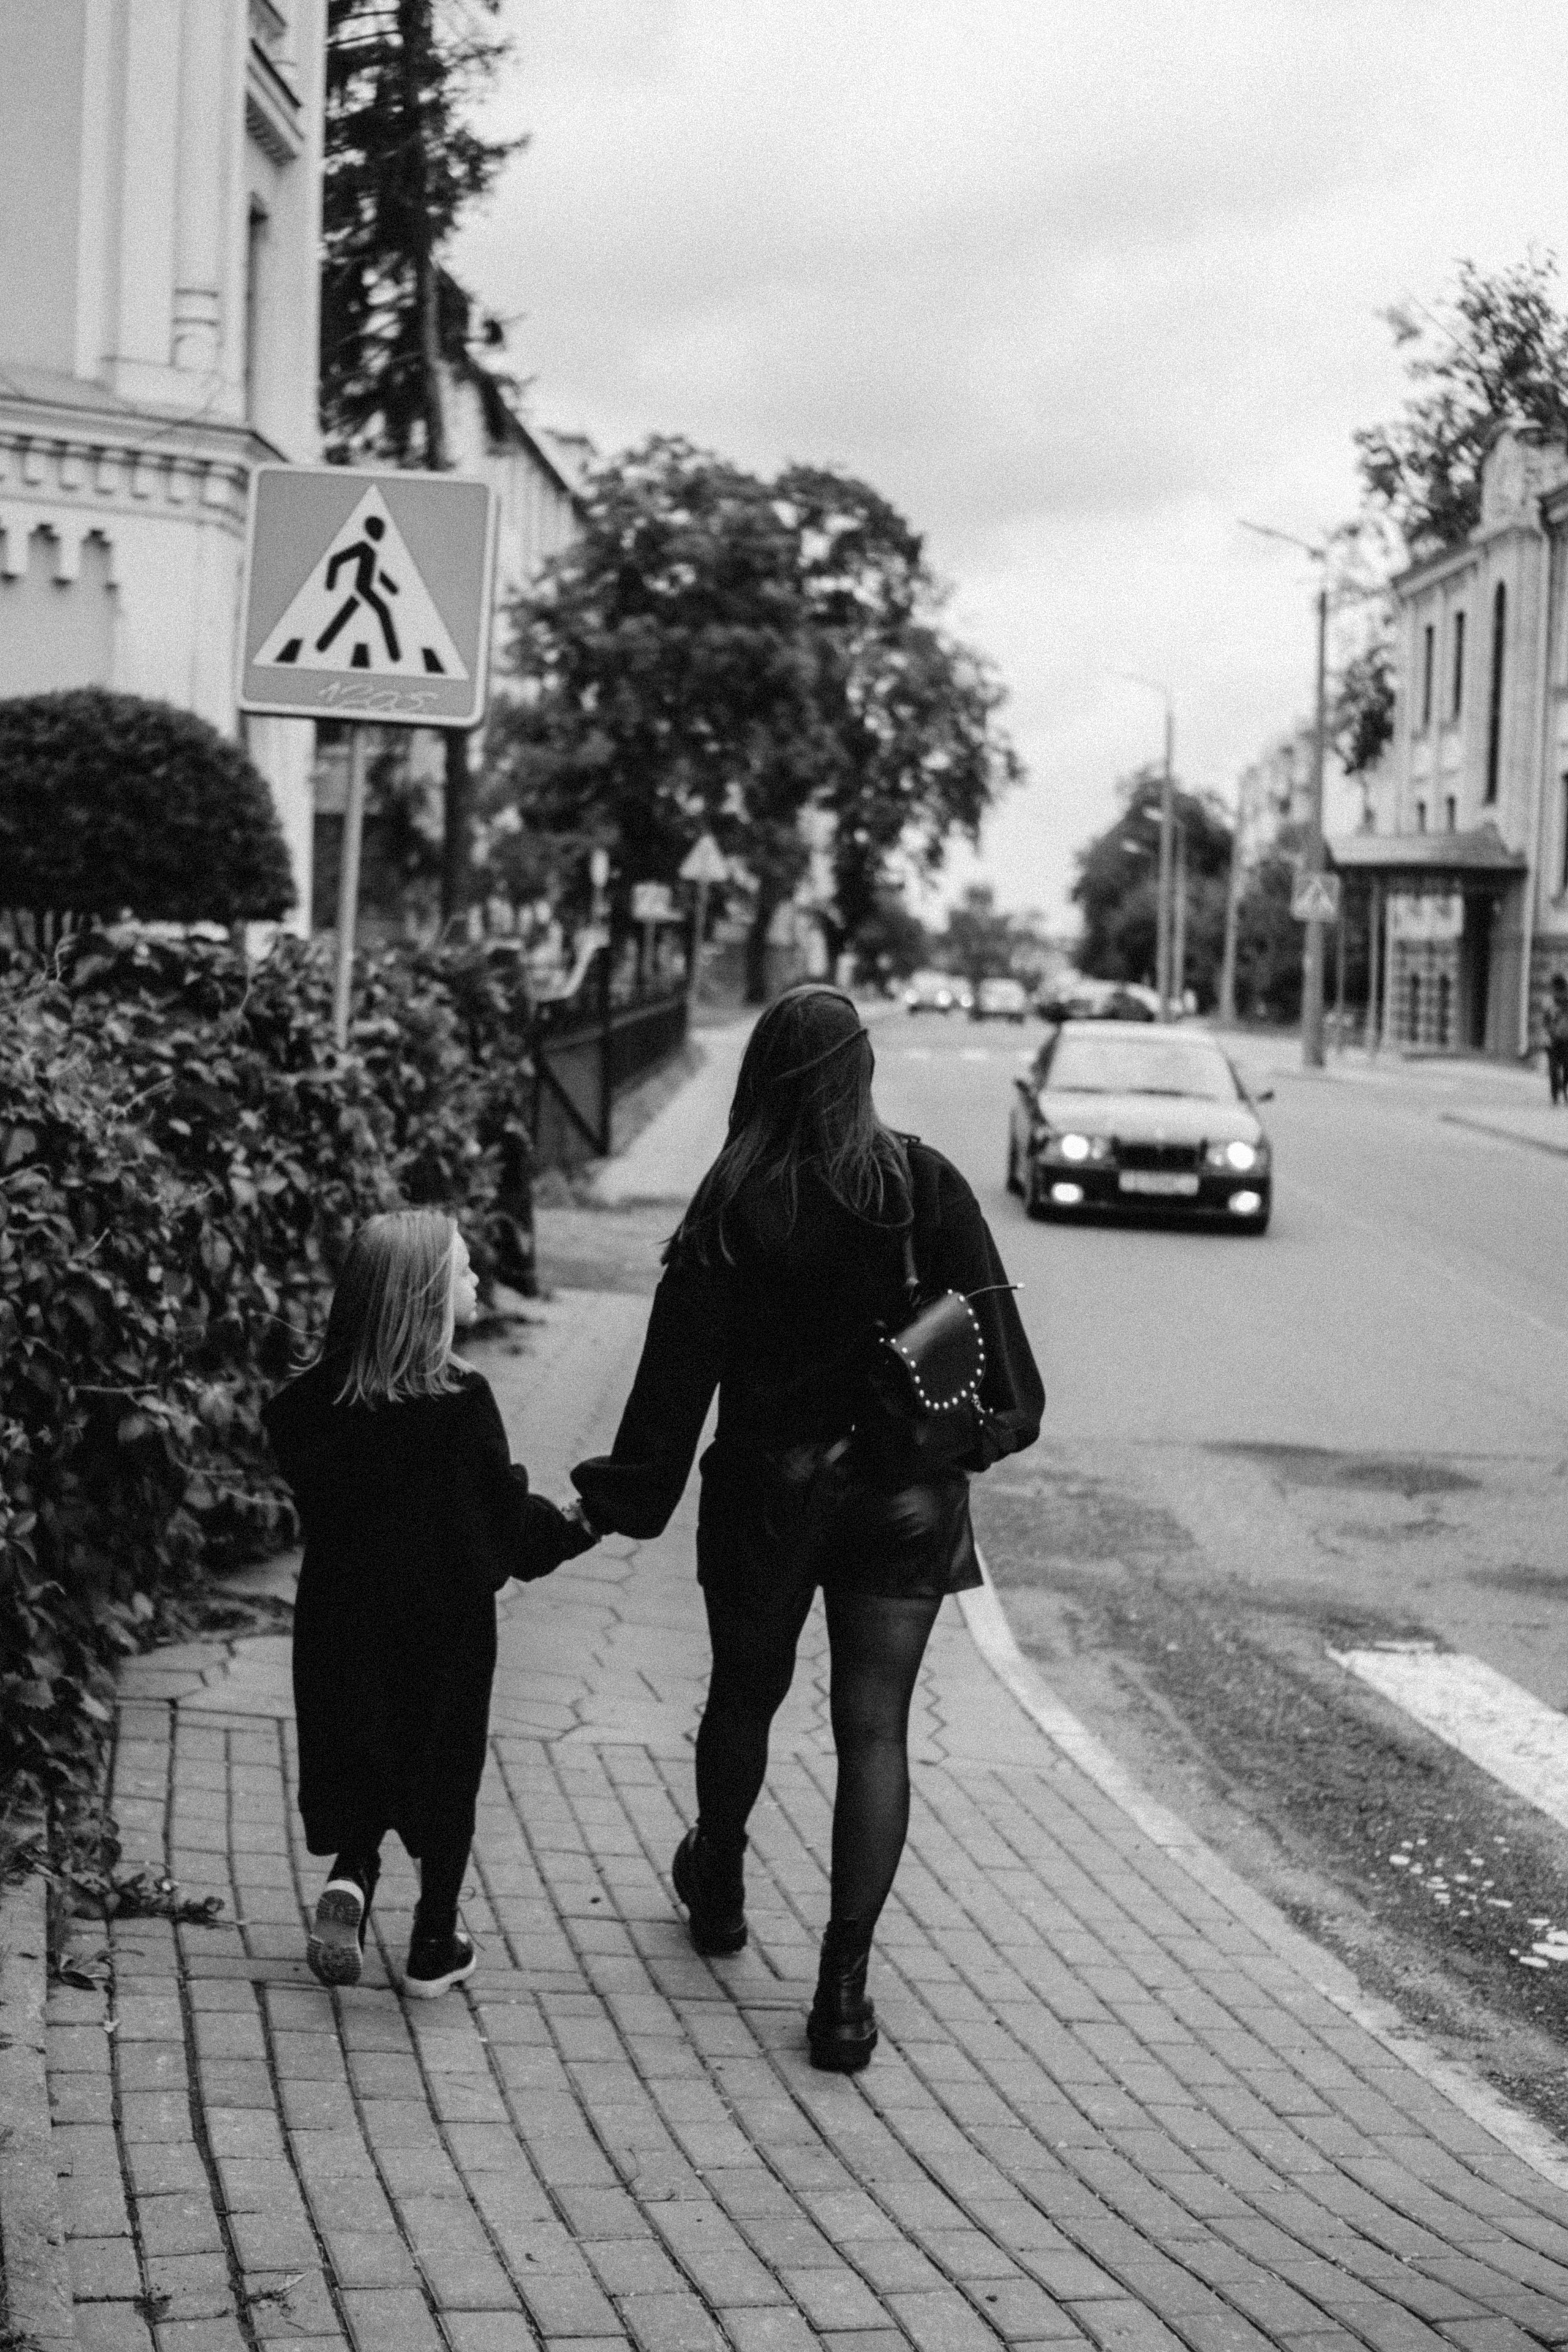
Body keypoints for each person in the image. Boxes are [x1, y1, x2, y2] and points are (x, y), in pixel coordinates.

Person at [571, 986, 1042, 2071]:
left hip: (764, 1500)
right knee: (873, 1731)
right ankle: (841, 1995)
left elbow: (670, 1393)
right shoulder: (923, 1186)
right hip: (903, 1504)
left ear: (762, 1077)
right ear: (861, 1072)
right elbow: (1010, 1388)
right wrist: (932, 1451)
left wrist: (608, 1505)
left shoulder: (734, 1199)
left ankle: (722, 1884)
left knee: (744, 1694)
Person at [263, 1210, 597, 1998]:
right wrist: (586, 1520)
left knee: (361, 1745)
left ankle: (352, 1873)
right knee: (443, 1769)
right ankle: (434, 1938)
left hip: (340, 1619)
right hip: (441, 1629)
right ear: (425, 1301)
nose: (479, 1280)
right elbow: (506, 1530)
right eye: (465, 1271)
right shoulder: (459, 1405)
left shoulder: (309, 1407)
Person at [1546, 974, 1568, 1106]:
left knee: (1566, 1068)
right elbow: (1546, 1020)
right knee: (1554, 1069)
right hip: (1554, 1039)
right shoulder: (1550, 1002)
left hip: (1566, 1040)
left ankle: (1563, 1090)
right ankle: (1556, 1095)